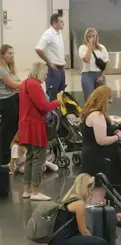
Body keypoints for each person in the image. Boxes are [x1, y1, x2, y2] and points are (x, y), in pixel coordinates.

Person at [48, 174, 109, 245]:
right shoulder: (79, 204)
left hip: (55, 241)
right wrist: (94, 243)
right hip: (61, 243)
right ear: (86, 188)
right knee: (102, 243)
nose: (91, 191)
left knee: (89, 237)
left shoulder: (69, 198)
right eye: (91, 188)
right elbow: (83, 231)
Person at [18, 62, 62, 201]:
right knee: (39, 158)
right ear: (39, 71)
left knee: (30, 156)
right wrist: (57, 102)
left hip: (25, 123)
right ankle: (36, 191)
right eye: (45, 73)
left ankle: (27, 189)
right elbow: (43, 106)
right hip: (35, 124)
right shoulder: (34, 85)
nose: (46, 75)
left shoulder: (25, 83)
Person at [80, 85, 121, 180]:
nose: (109, 105)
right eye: (109, 103)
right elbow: (101, 140)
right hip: (97, 160)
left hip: (90, 156)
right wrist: (118, 137)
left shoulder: (89, 112)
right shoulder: (97, 115)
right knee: (99, 190)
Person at [35, 14, 66, 100]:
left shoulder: (59, 33)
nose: (63, 23)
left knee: (61, 95)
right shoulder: (48, 34)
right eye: (61, 21)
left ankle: (59, 113)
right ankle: (52, 113)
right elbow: (38, 49)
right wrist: (49, 62)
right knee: (53, 96)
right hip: (53, 70)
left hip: (61, 69)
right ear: (54, 23)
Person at [0, 44, 20, 165]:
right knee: (7, 130)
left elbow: (16, 82)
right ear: (2, 55)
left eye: (13, 53)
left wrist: (19, 83)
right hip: (5, 101)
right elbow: (13, 84)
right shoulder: (1, 69)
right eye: (9, 53)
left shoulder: (9, 67)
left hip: (13, 99)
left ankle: (12, 156)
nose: (12, 56)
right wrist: (25, 82)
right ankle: (4, 158)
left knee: (13, 128)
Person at [78, 28, 109, 101]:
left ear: (97, 36)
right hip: (88, 74)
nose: (92, 38)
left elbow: (106, 62)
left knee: (101, 98)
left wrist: (102, 75)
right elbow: (86, 60)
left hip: (100, 74)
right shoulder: (82, 48)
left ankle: (100, 112)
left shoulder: (102, 48)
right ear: (86, 38)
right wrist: (89, 47)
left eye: (93, 36)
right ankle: (89, 112)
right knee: (89, 98)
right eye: (89, 36)